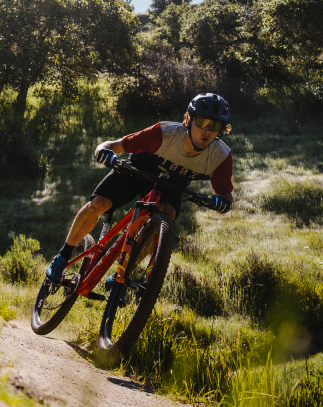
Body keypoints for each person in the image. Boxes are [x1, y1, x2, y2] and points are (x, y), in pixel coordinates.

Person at [45, 93, 235, 287]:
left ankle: (124, 272)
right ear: (190, 120)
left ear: (222, 130)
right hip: (137, 171)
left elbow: (226, 196)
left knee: (165, 218)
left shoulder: (220, 156)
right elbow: (112, 145)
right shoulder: (164, 133)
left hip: (171, 186)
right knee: (100, 204)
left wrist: (222, 203)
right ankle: (62, 256)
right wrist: (103, 151)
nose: (208, 130)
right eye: (202, 122)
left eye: (216, 126)